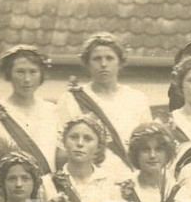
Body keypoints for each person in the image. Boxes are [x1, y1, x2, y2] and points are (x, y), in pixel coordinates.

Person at [57, 32, 153, 172]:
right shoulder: (71, 99)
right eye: (97, 59)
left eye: (109, 58)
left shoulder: (137, 98)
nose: (103, 64)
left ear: (120, 63)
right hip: (89, 178)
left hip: (129, 178)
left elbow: (147, 144)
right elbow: (61, 150)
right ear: (87, 64)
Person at [0, 45, 60, 174]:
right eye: (20, 72)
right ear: (9, 74)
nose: (27, 79)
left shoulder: (53, 111)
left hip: (49, 188)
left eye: (33, 72)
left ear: (41, 75)